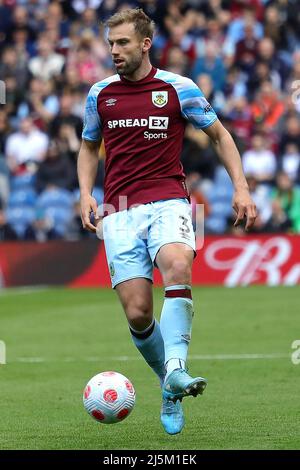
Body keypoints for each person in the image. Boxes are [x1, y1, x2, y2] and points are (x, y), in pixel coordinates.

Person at [77, 8, 257, 435]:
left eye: (122, 43)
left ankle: (176, 365)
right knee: (138, 313)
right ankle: (169, 384)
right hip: (118, 206)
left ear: (144, 44)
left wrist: (241, 187)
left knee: (178, 263)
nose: (114, 51)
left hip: (170, 199)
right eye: (110, 44)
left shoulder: (179, 88)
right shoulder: (99, 94)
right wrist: (85, 192)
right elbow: (89, 146)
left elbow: (220, 135)